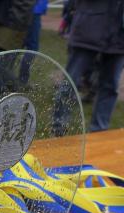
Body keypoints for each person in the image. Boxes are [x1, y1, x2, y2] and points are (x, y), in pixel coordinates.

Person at [61, 0, 124, 131]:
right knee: (71, 81)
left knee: (110, 86)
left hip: (119, 37)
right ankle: (59, 127)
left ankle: (99, 131)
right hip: (88, 28)